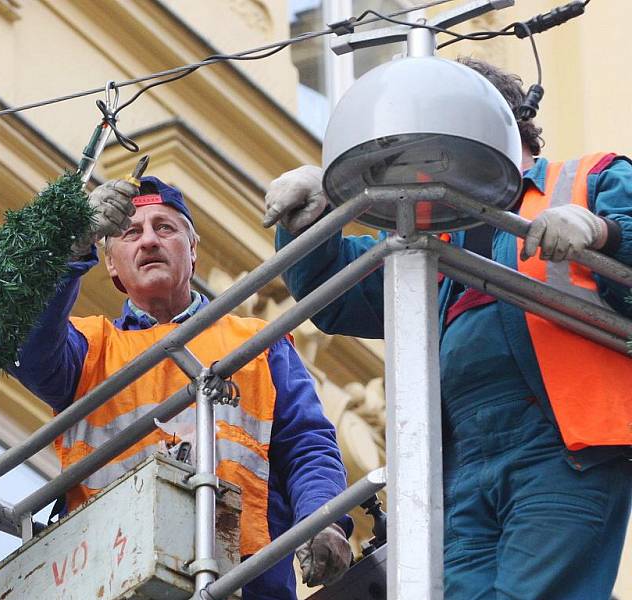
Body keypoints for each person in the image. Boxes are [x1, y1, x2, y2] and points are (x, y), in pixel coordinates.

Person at [262, 56, 632, 599]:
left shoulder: (586, 180)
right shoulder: (433, 238)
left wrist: (603, 233)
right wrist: (311, 224)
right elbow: (338, 293)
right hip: (459, 465)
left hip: (561, 447)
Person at [8, 175, 353, 599]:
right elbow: (31, 351)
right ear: (111, 264)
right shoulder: (90, 350)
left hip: (246, 583)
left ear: (192, 250)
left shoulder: (256, 344)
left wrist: (325, 520)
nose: (149, 241)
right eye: (129, 232)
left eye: (165, 228)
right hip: (118, 579)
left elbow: (307, 444)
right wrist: (72, 248)